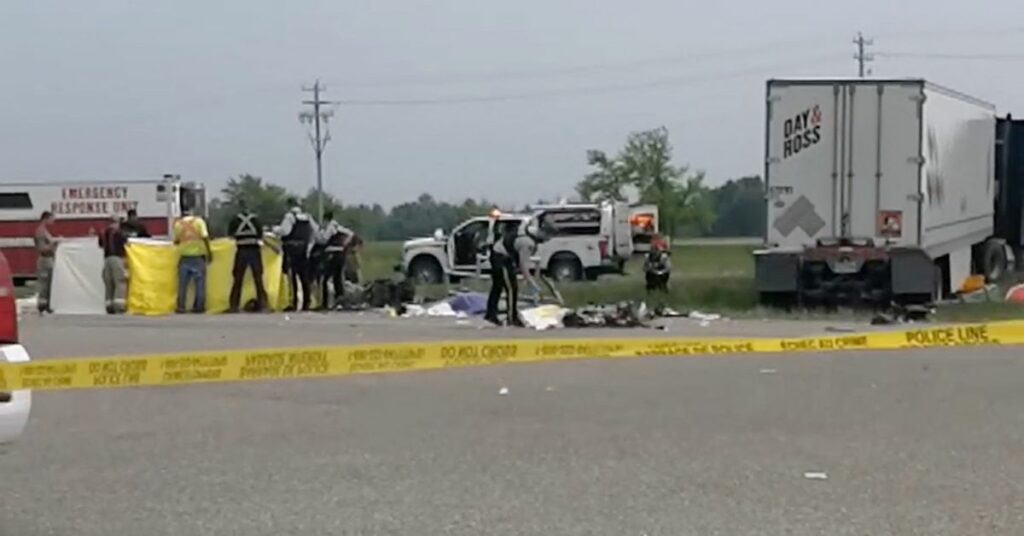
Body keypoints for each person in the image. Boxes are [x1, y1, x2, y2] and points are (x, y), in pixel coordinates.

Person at [485, 217, 547, 327]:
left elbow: (521, 262)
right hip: (500, 258)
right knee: (511, 288)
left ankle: (491, 314)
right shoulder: (527, 243)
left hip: (502, 256)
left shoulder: (525, 239)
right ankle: (511, 317)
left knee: (498, 286)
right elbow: (523, 266)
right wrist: (531, 283)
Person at [274, 199, 318, 311]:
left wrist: (275, 230)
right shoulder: (308, 217)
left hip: (291, 249)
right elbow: (316, 231)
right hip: (303, 249)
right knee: (304, 277)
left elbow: (285, 231)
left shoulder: (289, 217)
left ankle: (293, 302)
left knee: (291, 277)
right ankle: (306, 302)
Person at [227, 202, 268, 313]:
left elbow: (230, 234)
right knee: (258, 279)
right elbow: (261, 234)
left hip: (241, 250)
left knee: (238, 279)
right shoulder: (256, 220)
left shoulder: (235, 220)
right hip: (254, 250)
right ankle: (263, 304)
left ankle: (234, 305)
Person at [173, 209, 212, 314]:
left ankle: (181, 307)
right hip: (198, 256)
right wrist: (209, 253)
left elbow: (176, 241)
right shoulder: (199, 222)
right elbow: (205, 237)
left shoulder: (178, 224)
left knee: (182, 285)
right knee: (199, 284)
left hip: (184, 257)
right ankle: (199, 307)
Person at [316, 211, 354, 311]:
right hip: (341, 253)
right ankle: (340, 301)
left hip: (332, 253)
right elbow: (350, 234)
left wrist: (318, 236)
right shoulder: (338, 226)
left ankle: (325, 303)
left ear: (325, 219)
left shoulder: (330, 226)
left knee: (325, 279)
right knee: (338, 278)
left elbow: (324, 239)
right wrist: (344, 244)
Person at [98, 214, 128, 314]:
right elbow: (126, 243)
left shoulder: (103, 233)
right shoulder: (119, 233)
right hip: (117, 258)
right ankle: (119, 306)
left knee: (109, 283)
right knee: (120, 281)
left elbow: (101, 245)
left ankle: (109, 306)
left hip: (107, 260)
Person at [33, 211, 58, 315]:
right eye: (51, 219)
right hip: (44, 260)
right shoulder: (40, 232)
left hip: (48, 260)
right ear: (45, 219)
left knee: (48, 284)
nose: (53, 221)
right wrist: (54, 244)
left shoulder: (45, 231)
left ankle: (47, 305)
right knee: (44, 284)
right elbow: (42, 248)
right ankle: (42, 306)